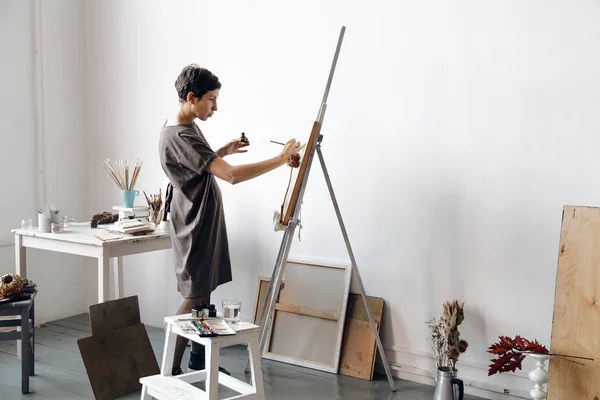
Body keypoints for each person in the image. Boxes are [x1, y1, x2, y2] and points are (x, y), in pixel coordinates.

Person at [158, 64, 305, 375]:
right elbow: (232, 176)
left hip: (200, 220)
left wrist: (224, 149)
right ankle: (168, 373)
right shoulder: (181, 134)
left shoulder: (183, 125)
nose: (215, 106)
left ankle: (199, 361)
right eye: (211, 99)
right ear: (191, 96)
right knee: (195, 295)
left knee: (203, 295)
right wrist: (280, 159)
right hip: (194, 225)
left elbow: (198, 162)